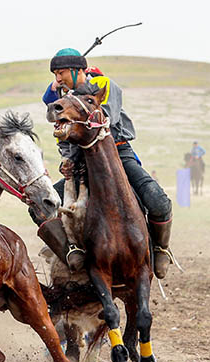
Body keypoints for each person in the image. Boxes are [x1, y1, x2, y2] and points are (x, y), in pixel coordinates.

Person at [39, 48, 175, 279]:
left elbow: (101, 121)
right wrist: (66, 158)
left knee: (157, 200)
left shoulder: (103, 84)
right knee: (43, 205)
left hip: (117, 152)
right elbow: (60, 130)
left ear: (78, 70)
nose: (57, 79)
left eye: (60, 73)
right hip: (80, 159)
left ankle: (160, 249)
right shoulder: (62, 97)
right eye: (54, 75)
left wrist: (70, 95)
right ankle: (70, 250)